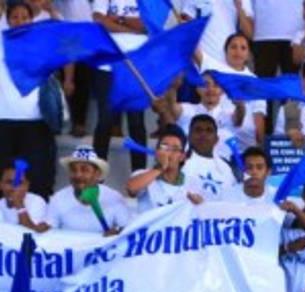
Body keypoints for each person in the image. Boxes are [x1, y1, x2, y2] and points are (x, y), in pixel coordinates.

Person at [0, 0, 55, 197]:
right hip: (2, 121)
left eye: (25, 17)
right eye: (14, 17)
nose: (20, 21)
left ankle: (35, 212)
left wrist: (51, 10)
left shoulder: (41, 45)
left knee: (37, 179)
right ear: (7, 21)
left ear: (32, 20)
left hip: (35, 122)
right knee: (2, 176)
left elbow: (62, 33)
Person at [90, 0, 147, 170]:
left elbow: (147, 24)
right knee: (104, 122)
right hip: (107, 65)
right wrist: (131, 27)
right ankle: (96, 177)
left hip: (136, 66)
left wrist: (118, 20)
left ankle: (139, 175)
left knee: (136, 123)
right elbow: (99, 20)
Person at [44, 146, 131, 234]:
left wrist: (117, 233)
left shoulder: (114, 198)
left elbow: (127, 230)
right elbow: (49, 233)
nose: (78, 175)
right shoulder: (58, 198)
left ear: (97, 173)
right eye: (73, 170)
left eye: (84, 170)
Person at [125, 125, 202, 211]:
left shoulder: (191, 182)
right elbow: (131, 189)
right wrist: (160, 168)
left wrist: (199, 204)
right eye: (164, 147)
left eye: (175, 149)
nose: (168, 153)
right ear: (157, 152)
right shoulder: (142, 174)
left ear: (182, 157)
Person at [0, 163, 47, 230]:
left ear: (27, 185)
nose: (14, 188)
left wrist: (20, 206)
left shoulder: (37, 201)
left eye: (19, 183)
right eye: (9, 182)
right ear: (0, 185)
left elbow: (33, 232)